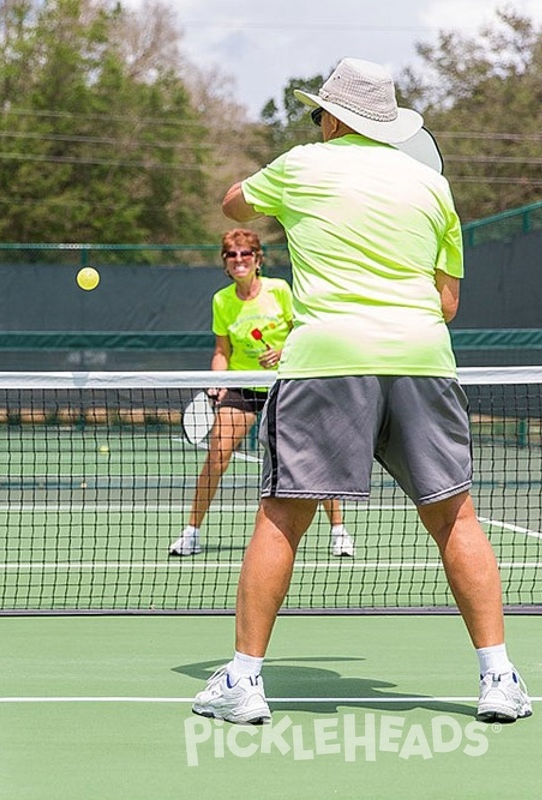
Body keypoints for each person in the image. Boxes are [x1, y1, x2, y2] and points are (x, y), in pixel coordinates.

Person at [192, 57, 530, 725]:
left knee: (283, 517)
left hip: (328, 361)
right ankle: (499, 677)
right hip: (421, 359)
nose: (316, 123)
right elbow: (448, 301)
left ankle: (244, 682)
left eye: (320, 114)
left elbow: (233, 203)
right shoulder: (433, 188)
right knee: (456, 518)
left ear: (337, 118)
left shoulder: (300, 166)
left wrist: (275, 195)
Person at [169, 229, 354, 558]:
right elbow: (221, 350)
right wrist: (216, 379)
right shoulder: (222, 300)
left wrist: (283, 350)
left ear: (258, 260)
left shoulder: (279, 291)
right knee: (217, 454)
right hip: (243, 386)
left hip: (286, 383)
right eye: (232, 255)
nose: (239, 260)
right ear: (225, 264)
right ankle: (191, 532)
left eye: (245, 254)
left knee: (313, 457)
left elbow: (305, 331)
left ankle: (339, 531)